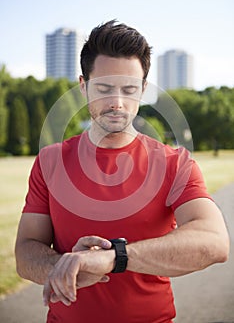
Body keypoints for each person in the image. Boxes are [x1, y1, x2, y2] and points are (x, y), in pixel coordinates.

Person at [15, 20, 230, 323]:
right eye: (103, 89)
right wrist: (66, 266)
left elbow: (215, 242)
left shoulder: (175, 163)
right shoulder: (50, 161)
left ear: (143, 90)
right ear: (82, 86)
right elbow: (25, 252)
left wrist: (114, 257)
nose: (117, 103)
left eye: (129, 90)